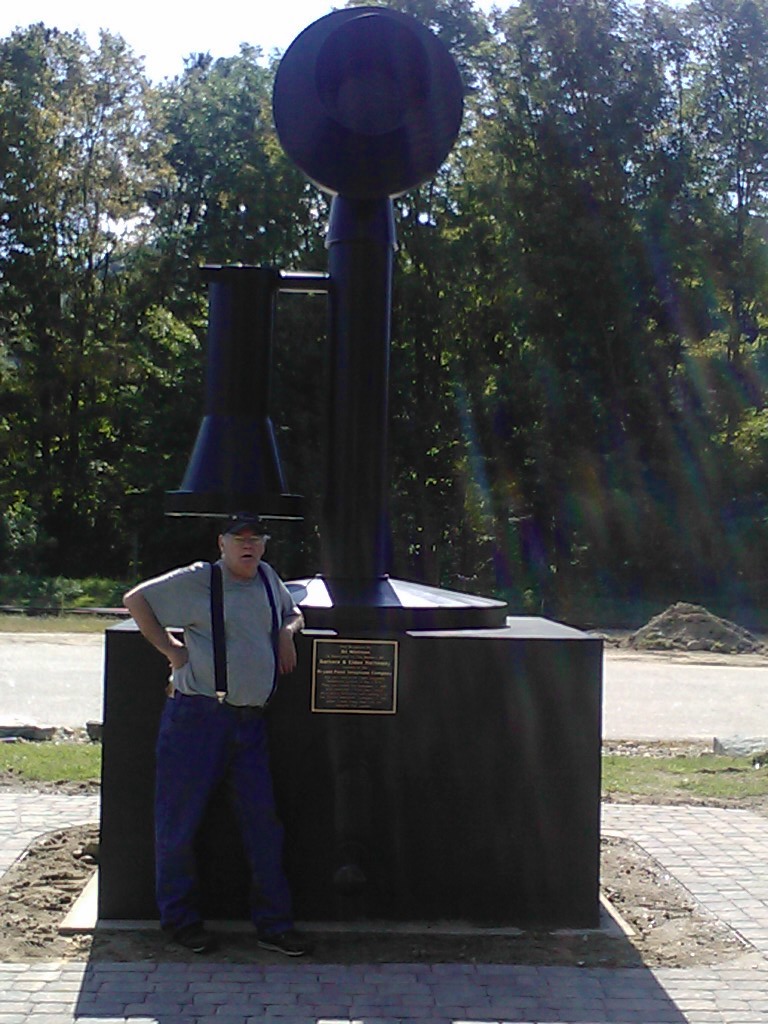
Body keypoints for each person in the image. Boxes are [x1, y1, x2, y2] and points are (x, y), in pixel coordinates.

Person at [123, 513, 310, 956]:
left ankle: (274, 926)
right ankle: (181, 923)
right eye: (238, 538)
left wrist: (286, 632)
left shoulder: (268, 578)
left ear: (264, 544)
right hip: (198, 720)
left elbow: (294, 612)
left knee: (263, 827)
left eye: (255, 538)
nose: (248, 546)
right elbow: (136, 600)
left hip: (251, 724)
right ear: (221, 543)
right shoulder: (200, 580)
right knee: (179, 825)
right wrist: (172, 651)